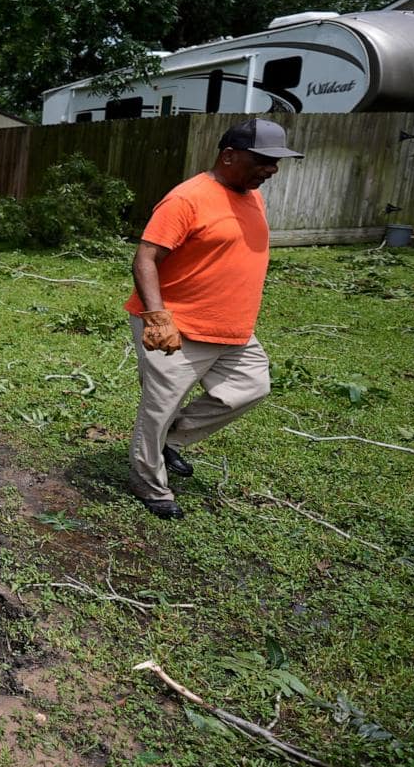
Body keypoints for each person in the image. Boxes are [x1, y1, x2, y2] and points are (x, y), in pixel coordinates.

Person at [123, 118, 303, 519]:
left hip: (233, 329)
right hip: (179, 327)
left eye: (276, 163)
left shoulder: (250, 194)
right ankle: (148, 482)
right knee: (160, 406)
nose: (272, 170)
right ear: (229, 156)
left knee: (251, 387)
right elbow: (146, 258)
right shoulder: (187, 199)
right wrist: (156, 317)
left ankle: (168, 441)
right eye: (264, 161)